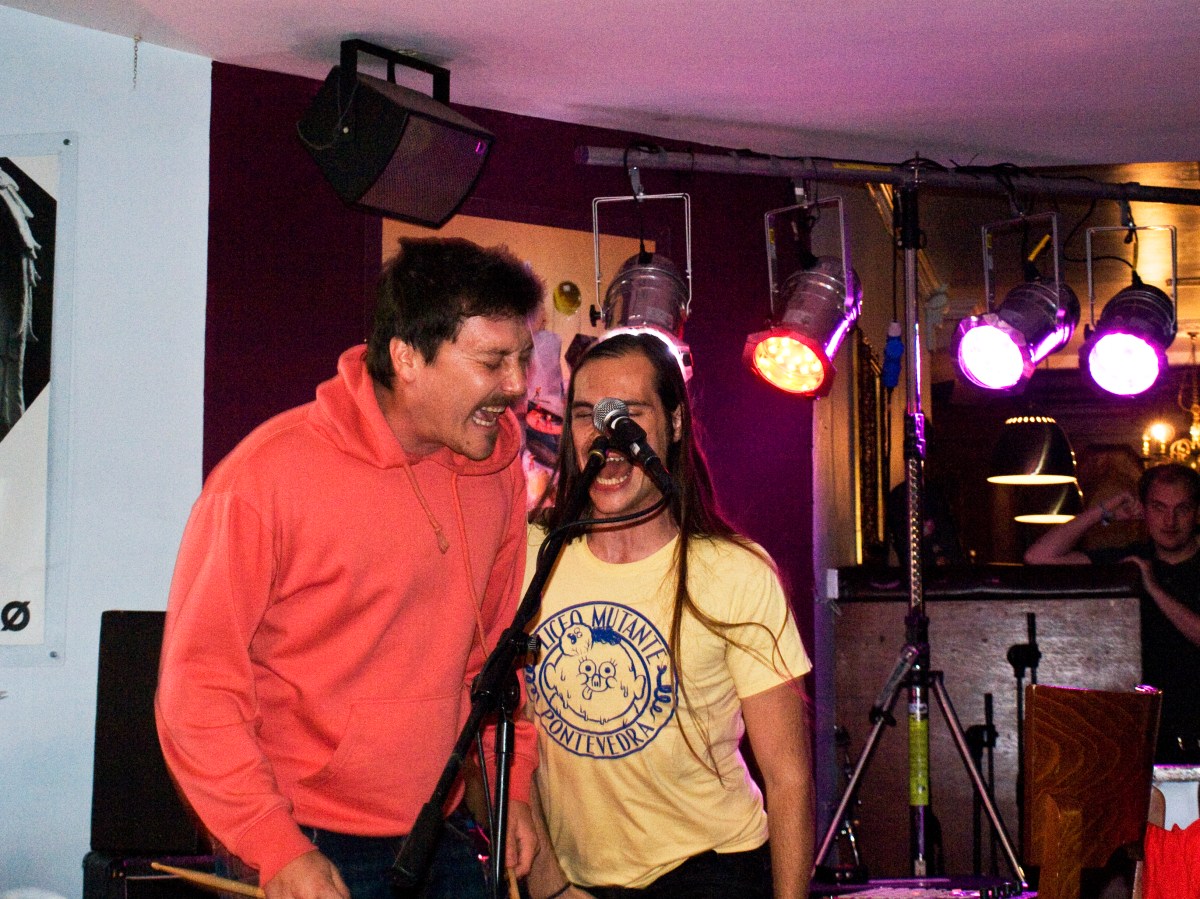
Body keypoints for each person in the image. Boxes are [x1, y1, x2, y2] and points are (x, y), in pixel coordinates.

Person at [155, 237, 544, 899]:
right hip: (305, 836)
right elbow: (198, 693)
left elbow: (491, 661)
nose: (515, 386)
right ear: (407, 357)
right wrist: (275, 846)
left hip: (443, 827)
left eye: (522, 358)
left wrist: (511, 791)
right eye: (492, 361)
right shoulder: (263, 479)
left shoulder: (499, 470)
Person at [520, 332, 814, 899]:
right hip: (570, 879)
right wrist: (549, 882)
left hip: (710, 871)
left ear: (674, 423)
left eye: (627, 415)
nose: (605, 435)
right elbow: (504, 733)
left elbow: (789, 778)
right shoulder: (533, 556)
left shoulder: (734, 572)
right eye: (585, 415)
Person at [1024, 461, 1200, 761]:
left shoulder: (1147, 569)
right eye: (1158, 507)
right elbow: (1038, 556)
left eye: (1181, 509)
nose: (1169, 520)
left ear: (1196, 512)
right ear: (1144, 511)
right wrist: (1103, 512)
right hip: (1144, 731)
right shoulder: (1132, 559)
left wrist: (1153, 589)